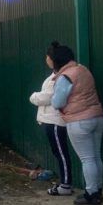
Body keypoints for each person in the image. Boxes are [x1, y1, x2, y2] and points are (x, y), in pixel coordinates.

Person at [49, 42, 103, 205]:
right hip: (97, 117)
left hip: (79, 121)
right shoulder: (83, 70)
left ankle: (91, 194)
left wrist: (52, 100)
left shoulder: (65, 77)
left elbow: (58, 101)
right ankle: (97, 190)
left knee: (87, 159)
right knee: (95, 156)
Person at [29, 48, 73, 196]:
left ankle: (66, 184)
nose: (46, 59)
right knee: (58, 151)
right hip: (50, 119)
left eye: (48, 57)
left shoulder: (60, 77)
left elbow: (48, 98)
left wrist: (34, 96)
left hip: (56, 121)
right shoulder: (55, 75)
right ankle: (64, 182)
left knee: (61, 152)